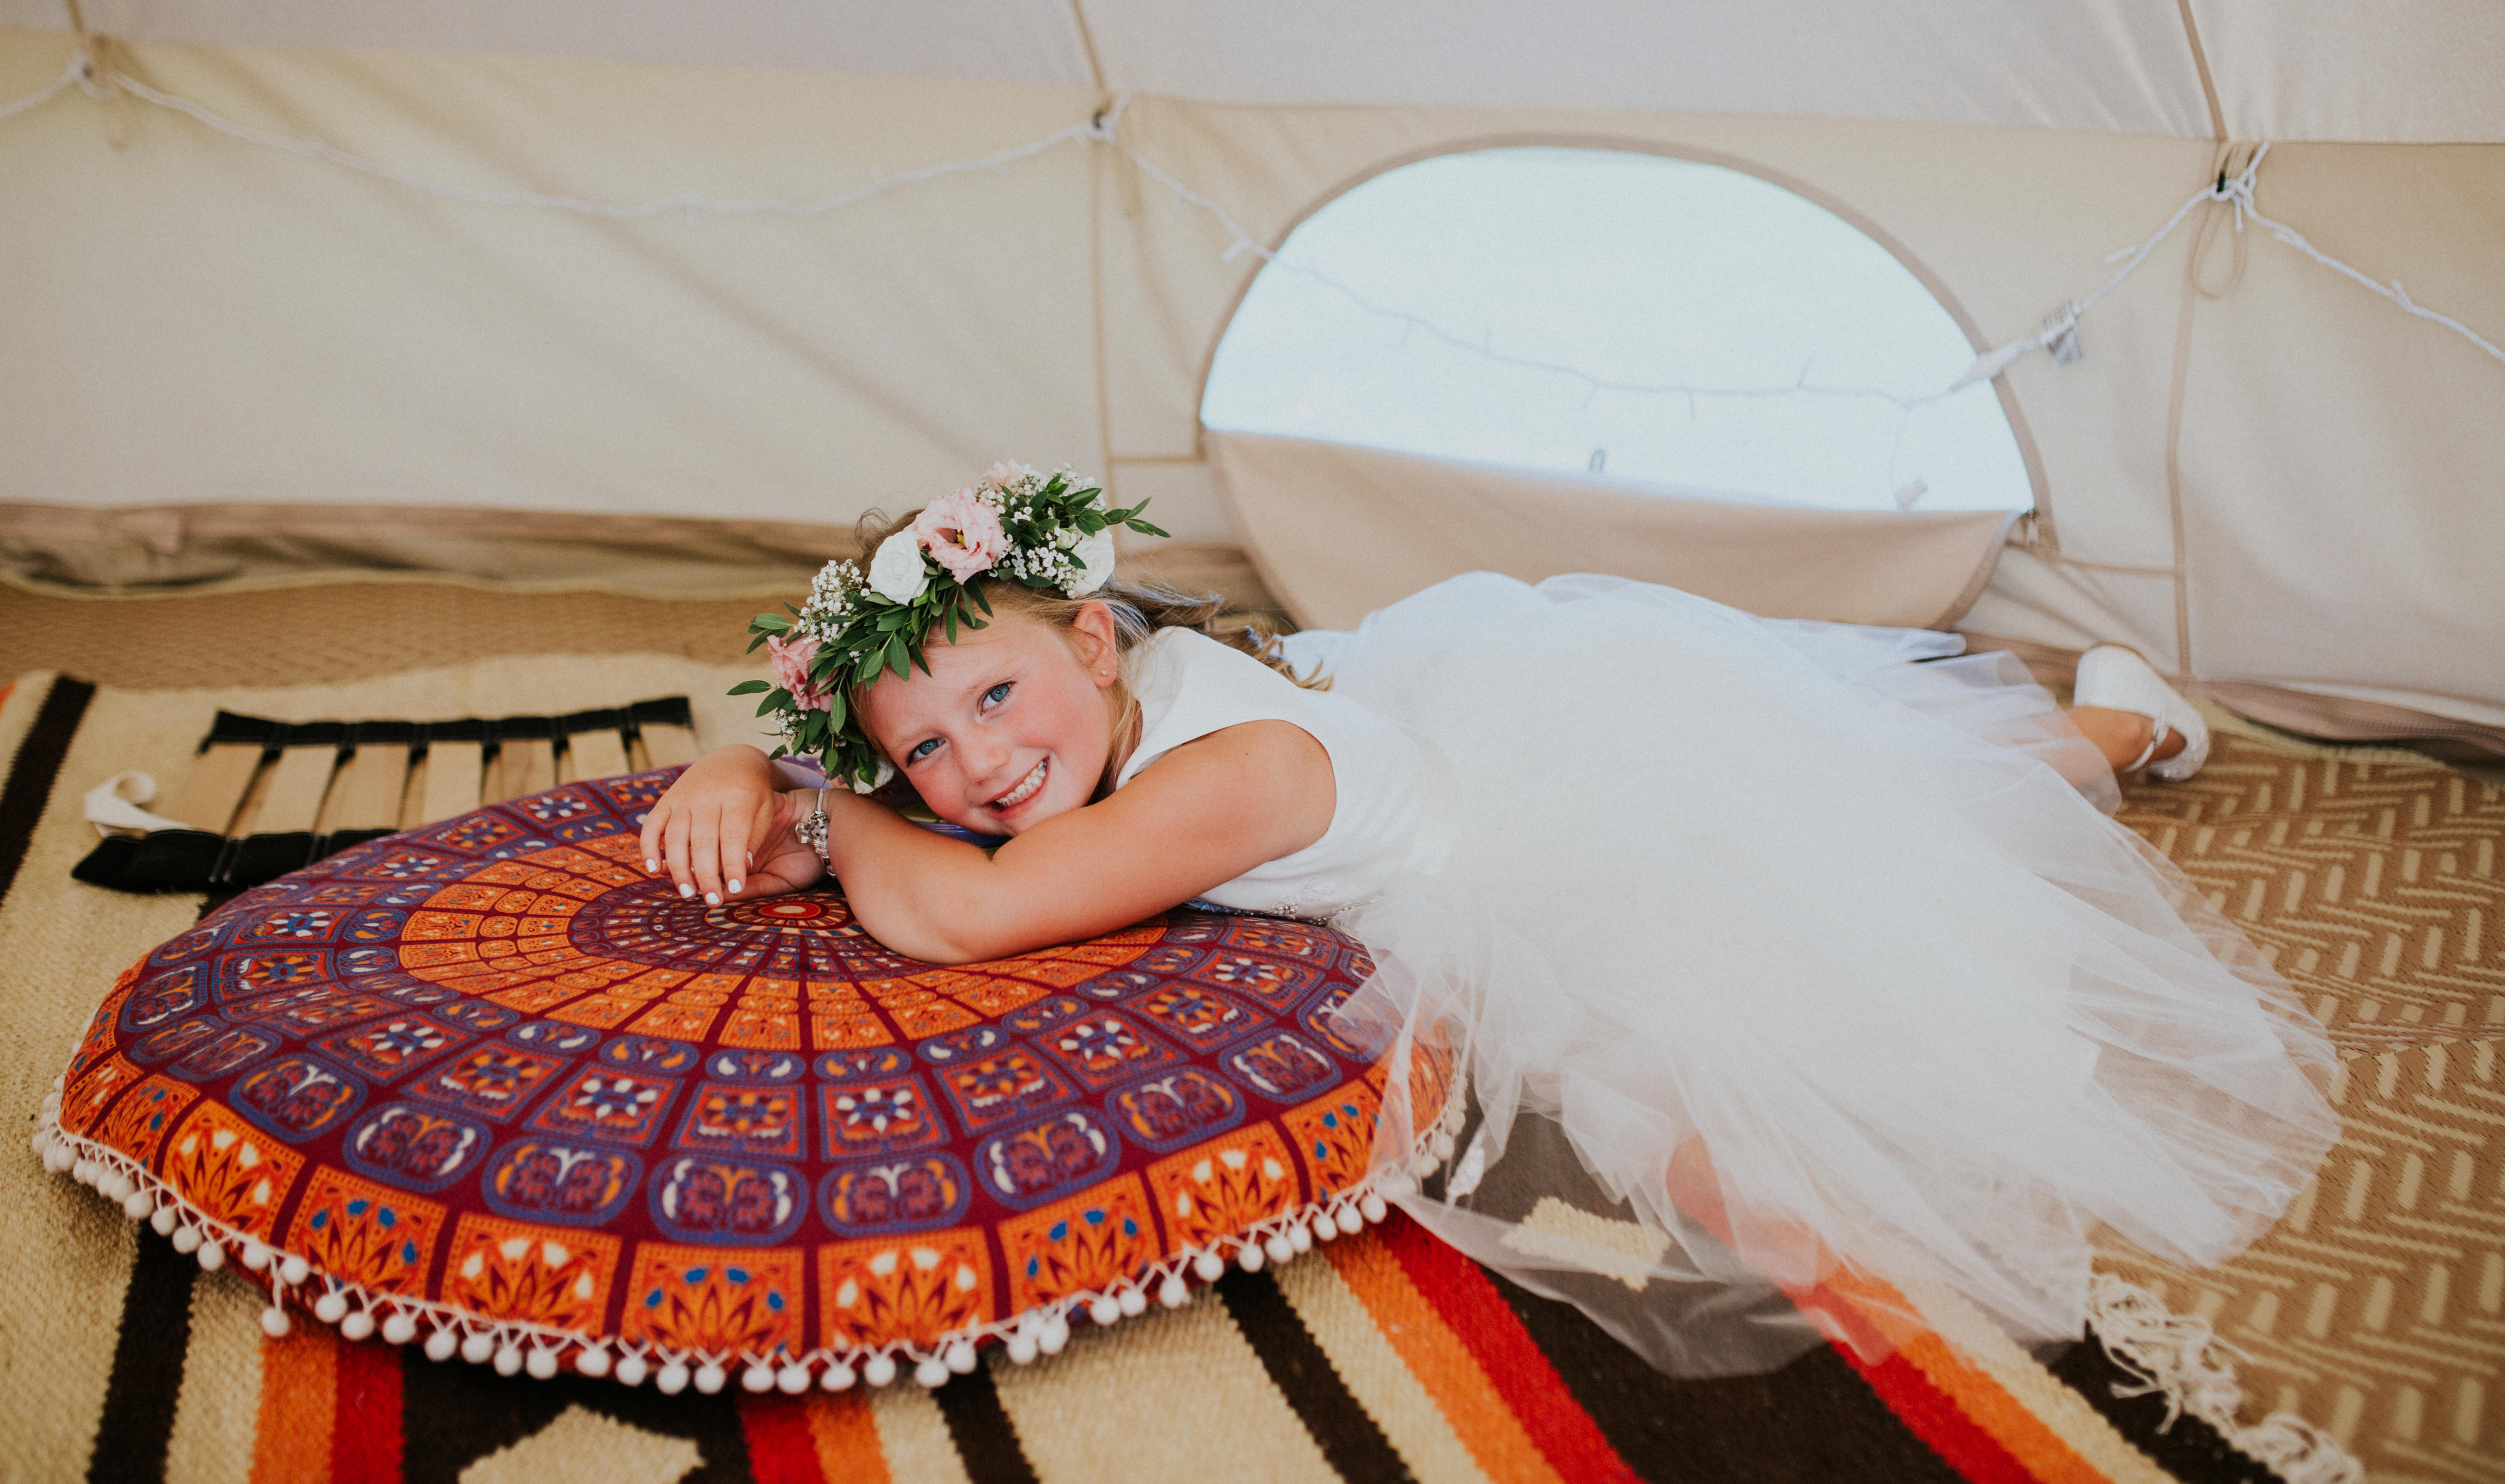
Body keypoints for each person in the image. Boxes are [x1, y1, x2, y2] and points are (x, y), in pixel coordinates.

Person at [644, 463, 2337, 1376]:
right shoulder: (1089, 713)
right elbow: (865, 771)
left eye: (998, 696)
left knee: (1905, 833)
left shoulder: (1224, 772)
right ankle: (2096, 734)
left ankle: (2133, 728)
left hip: (1567, 845)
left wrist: (826, 803)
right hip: (1466, 723)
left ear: (1095, 644)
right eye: (925, 748)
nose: (983, 761)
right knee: (1893, 772)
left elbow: (964, 916)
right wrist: (752, 759)